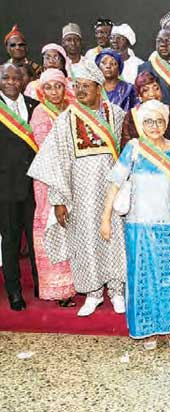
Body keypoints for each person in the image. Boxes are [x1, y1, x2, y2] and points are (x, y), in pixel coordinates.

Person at [26, 59, 127, 317]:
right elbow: (55, 161)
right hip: (79, 194)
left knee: (114, 239)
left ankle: (116, 291)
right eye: (76, 86)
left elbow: (128, 153)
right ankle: (92, 294)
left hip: (110, 191)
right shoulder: (66, 119)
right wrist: (59, 200)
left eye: (85, 86)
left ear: (98, 86)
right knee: (85, 242)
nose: (80, 91)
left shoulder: (116, 114)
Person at [100, 100, 170, 350]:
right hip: (138, 225)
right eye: (148, 121)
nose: (155, 126)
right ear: (140, 124)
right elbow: (115, 182)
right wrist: (105, 218)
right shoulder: (134, 148)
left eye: (159, 121)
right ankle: (147, 331)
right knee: (143, 279)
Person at [28, 68, 76, 308]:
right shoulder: (39, 112)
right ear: (41, 90)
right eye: (48, 87)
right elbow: (46, 146)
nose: (54, 91)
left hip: (72, 177)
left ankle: (75, 284)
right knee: (53, 227)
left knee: (71, 228)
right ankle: (58, 289)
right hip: (48, 179)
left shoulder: (71, 108)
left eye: (58, 86)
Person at [0, 64, 39, 311]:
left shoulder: (34, 106)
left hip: (35, 186)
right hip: (5, 186)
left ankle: (41, 285)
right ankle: (14, 291)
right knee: (11, 239)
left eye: (16, 77)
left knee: (37, 240)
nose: (12, 81)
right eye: (6, 77)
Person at [120, 71, 170, 150]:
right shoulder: (131, 116)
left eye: (156, 88)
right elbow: (126, 148)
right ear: (139, 96)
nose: (152, 94)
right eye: (146, 90)